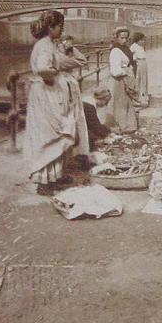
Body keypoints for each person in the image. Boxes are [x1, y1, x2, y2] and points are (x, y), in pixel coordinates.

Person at [24, 10, 89, 196]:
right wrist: (55, 76)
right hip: (47, 94)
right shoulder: (44, 46)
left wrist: (68, 49)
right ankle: (45, 183)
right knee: (50, 135)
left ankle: (54, 177)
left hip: (50, 93)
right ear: (50, 27)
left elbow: (78, 61)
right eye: (60, 27)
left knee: (57, 133)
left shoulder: (50, 45)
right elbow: (44, 69)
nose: (62, 30)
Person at [109, 26, 138, 133]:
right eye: (121, 38)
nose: (124, 40)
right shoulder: (115, 51)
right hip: (120, 80)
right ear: (116, 38)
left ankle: (128, 125)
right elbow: (114, 70)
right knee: (120, 103)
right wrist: (125, 71)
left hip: (125, 79)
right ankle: (123, 126)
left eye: (126, 38)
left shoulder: (125, 49)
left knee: (126, 101)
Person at [83, 87, 111, 151]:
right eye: (106, 102)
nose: (105, 105)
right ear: (103, 100)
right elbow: (95, 126)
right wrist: (108, 131)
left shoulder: (86, 101)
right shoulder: (89, 106)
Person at [130, 32, 148, 104]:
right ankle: (137, 96)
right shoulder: (134, 46)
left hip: (143, 62)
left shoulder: (141, 46)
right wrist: (134, 61)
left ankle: (143, 95)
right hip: (138, 63)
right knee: (138, 79)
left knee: (144, 79)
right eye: (142, 40)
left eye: (144, 40)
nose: (143, 42)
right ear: (137, 40)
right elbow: (129, 54)